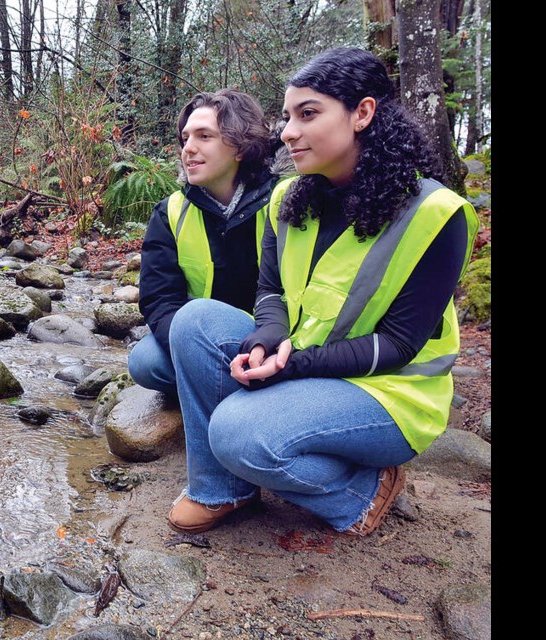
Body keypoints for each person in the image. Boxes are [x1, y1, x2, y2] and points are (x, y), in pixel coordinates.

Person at [165, 48, 478, 536]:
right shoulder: (288, 199)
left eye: (307, 114)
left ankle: (362, 491)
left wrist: (290, 366)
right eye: (287, 116)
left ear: (363, 113)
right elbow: (271, 292)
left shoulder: (437, 214)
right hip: (309, 360)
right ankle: (222, 489)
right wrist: (264, 340)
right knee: (194, 321)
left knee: (236, 432)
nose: (288, 132)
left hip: (389, 393)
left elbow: (400, 345)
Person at [128, 89, 285, 396]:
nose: (189, 148)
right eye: (186, 138)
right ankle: (242, 384)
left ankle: (240, 386)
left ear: (240, 147)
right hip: (198, 334)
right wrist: (198, 349)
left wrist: (264, 343)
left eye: (204, 136)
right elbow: (159, 300)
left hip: (270, 335)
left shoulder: (282, 201)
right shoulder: (170, 212)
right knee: (145, 362)